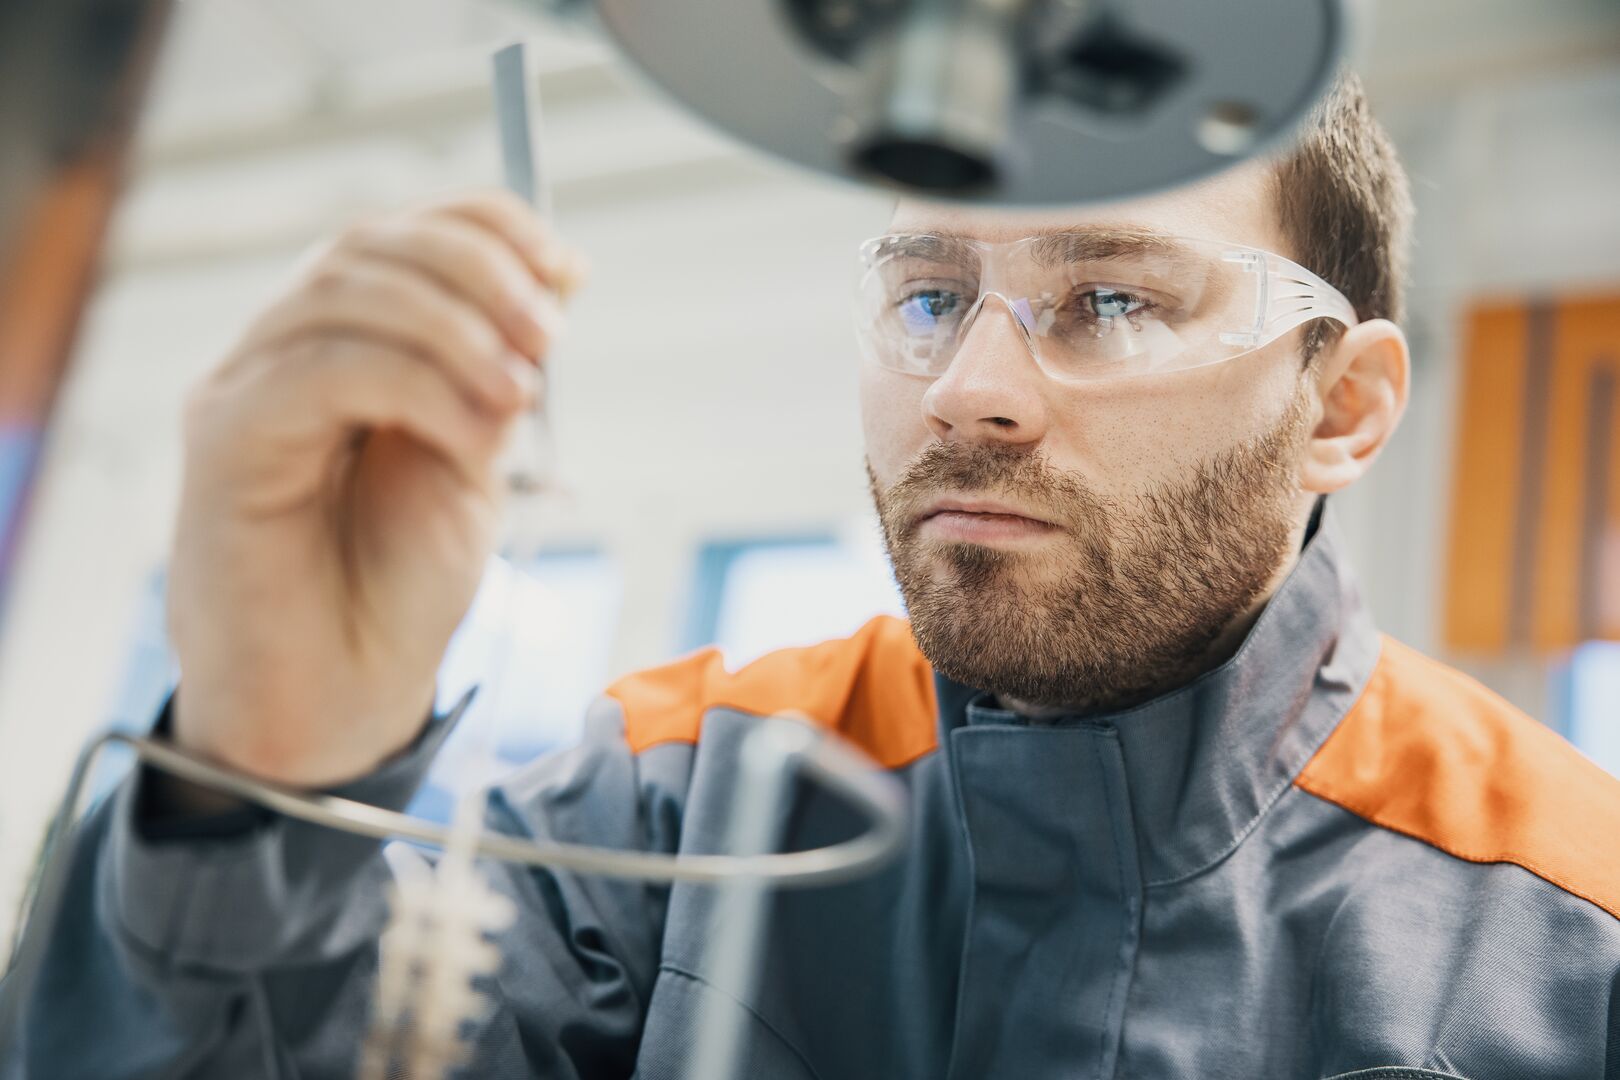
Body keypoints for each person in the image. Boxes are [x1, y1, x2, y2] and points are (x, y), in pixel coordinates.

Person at [9, 72, 1620, 1079]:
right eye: (929, 293)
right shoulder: (666, 805)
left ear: (1337, 405)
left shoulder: (1571, 928)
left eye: (1113, 299)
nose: (968, 388)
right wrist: (257, 768)